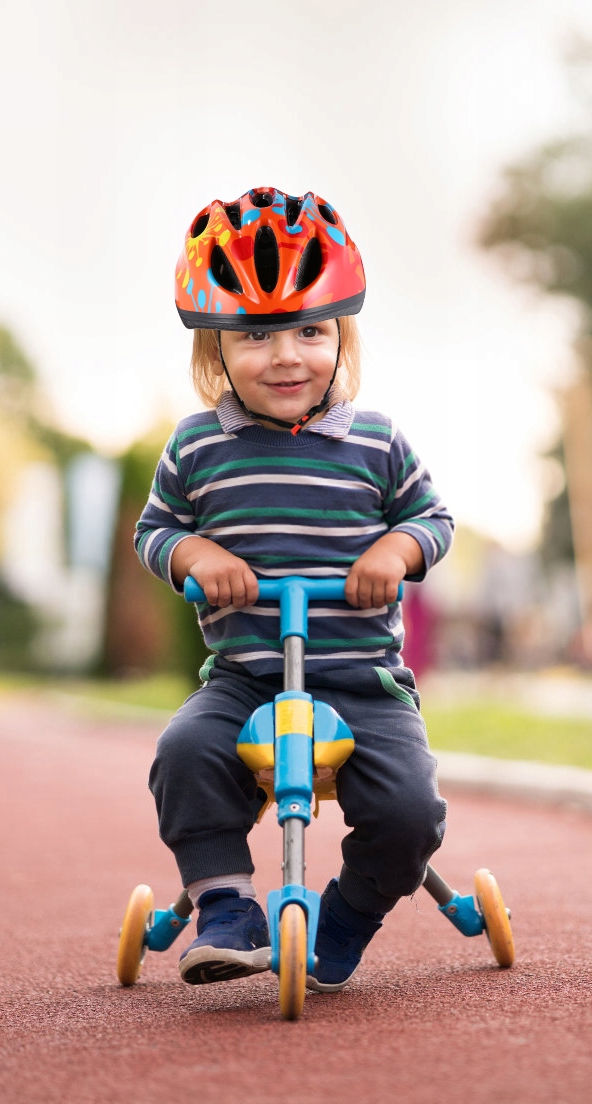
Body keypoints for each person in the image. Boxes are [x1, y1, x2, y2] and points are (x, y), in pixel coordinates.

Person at [135, 187, 454, 992]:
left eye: (310, 331)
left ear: (342, 335)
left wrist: (397, 549)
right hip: (245, 678)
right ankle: (227, 907)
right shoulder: (196, 447)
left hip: (363, 681)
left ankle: (347, 916)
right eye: (256, 335)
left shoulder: (378, 442)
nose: (286, 356)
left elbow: (433, 518)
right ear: (214, 350)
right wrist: (194, 554)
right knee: (183, 753)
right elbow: (155, 530)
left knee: (411, 813)